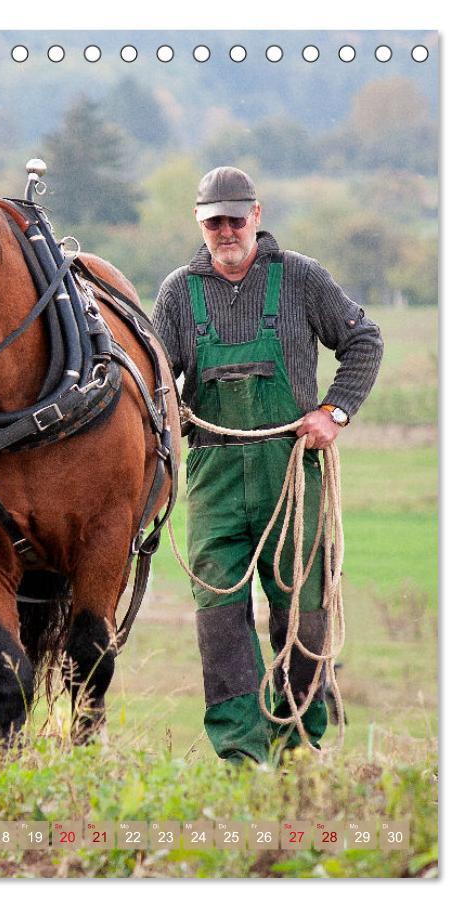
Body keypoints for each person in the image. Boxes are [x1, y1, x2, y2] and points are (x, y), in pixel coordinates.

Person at [151, 166, 384, 764]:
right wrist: (168, 408)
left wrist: (335, 411)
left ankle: (300, 744)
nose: (225, 230)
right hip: (214, 477)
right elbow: (158, 375)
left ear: (257, 215)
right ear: (199, 224)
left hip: (291, 474)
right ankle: (240, 754)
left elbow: (364, 340)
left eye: (235, 218)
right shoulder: (179, 291)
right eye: (213, 221)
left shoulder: (301, 279)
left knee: (301, 617)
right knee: (221, 620)